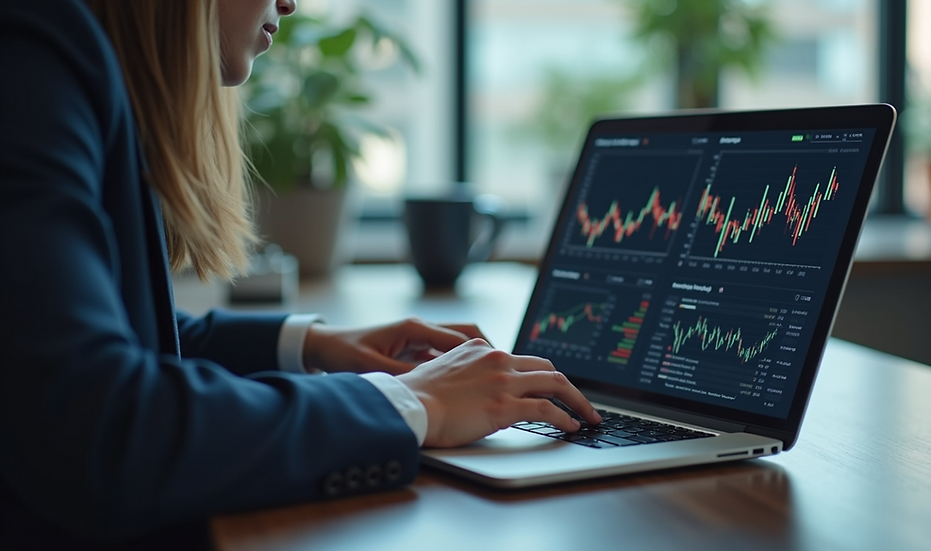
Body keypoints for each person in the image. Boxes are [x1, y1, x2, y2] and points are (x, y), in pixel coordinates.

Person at [0, 0, 601, 548]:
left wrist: (316, 345)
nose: (288, 2)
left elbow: (129, 338)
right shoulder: (35, 48)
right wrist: (410, 403)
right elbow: (98, 423)